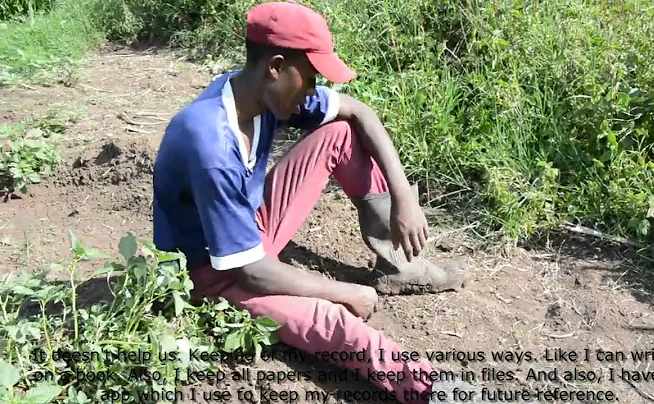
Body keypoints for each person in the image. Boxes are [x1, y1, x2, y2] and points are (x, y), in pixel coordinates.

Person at [152, 2, 477, 403]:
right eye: (308, 78)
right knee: (332, 318)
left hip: (247, 228)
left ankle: (397, 263)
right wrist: (343, 291)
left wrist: (403, 195)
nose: (312, 89)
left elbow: (359, 112)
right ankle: (435, 390)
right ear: (275, 66)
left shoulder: (255, 94)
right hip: (213, 272)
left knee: (339, 133)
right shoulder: (210, 142)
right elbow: (251, 273)